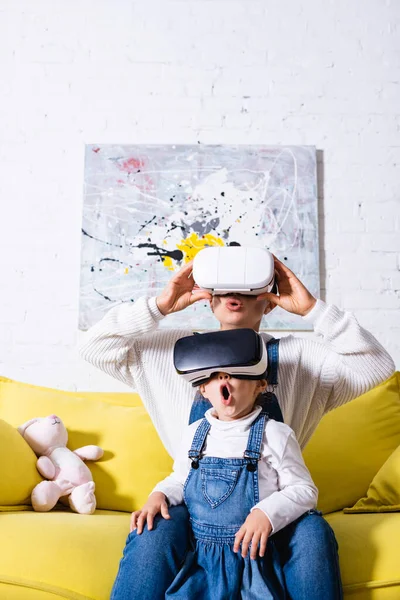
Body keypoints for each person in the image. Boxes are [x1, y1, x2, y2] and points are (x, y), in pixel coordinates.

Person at [80, 255, 395, 600]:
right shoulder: (171, 353)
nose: (236, 293)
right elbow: (94, 347)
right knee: (151, 531)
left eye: (249, 285)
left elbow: (376, 366)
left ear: (269, 297)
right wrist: (160, 306)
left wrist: (312, 310)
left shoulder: (300, 358)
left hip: (276, 513)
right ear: (208, 294)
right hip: (196, 517)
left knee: (314, 533)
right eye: (224, 284)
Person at [132, 330, 319, 599]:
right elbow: (180, 479)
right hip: (202, 563)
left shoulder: (275, 433)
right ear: (203, 389)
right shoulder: (195, 432)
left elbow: (304, 489)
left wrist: (266, 513)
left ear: (260, 385)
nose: (225, 379)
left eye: (236, 373)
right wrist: (158, 494)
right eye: (216, 375)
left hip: (254, 561)